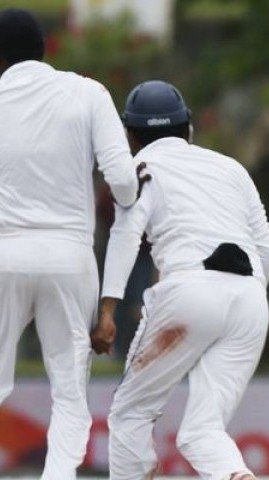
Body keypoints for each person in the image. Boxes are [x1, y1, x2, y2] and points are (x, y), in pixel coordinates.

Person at [90, 80, 269, 480]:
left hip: (188, 293)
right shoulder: (231, 168)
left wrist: (108, 310)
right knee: (202, 431)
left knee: (130, 414)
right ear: (188, 127)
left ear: (131, 135)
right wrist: (243, 298)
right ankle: (234, 475)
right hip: (250, 299)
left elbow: (124, 235)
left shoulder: (140, 170)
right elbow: (268, 248)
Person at [0, 8, 141, 479]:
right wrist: (124, 197)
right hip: (69, 256)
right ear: (43, 48)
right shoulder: (87, 92)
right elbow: (122, 179)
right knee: (68, 387)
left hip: (4, 253)